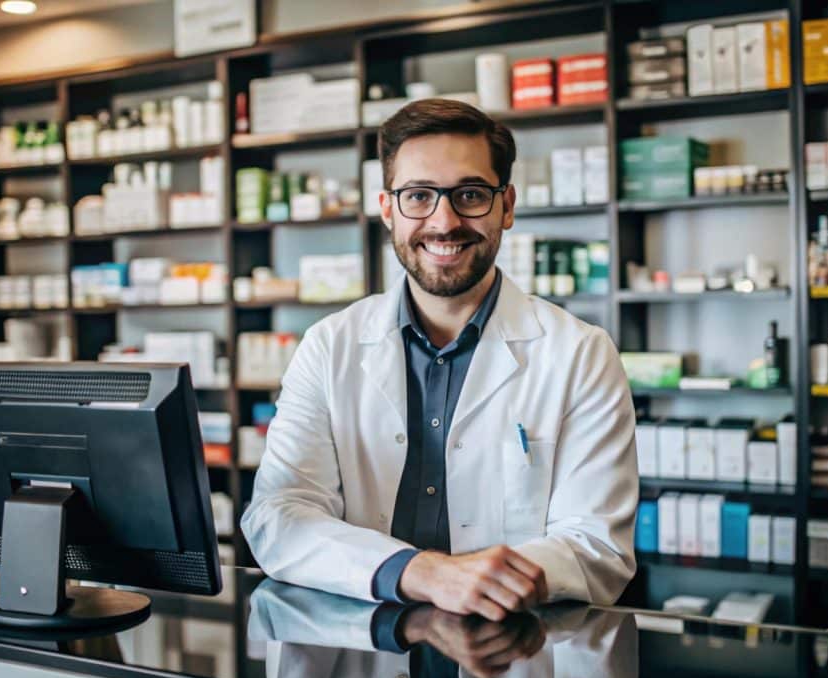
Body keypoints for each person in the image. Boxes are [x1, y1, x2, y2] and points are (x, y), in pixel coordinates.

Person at [241, 98, 638, 621]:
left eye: (470, 195)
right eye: (418, 196)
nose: (444, 221)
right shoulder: (328, 347)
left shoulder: (581, 354)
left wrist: (481, 582)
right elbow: (278, 515)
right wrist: (422, 572)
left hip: (511, 648)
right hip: (365, 640)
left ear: (507, 206)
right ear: (388, 209)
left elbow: (598, 548)